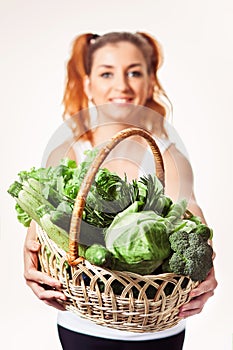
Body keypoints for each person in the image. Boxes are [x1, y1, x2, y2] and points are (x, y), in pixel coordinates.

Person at [24, 31, 217, 350]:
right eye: (106, 73)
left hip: (158, 327)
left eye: (135, 72)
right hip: (82, 324)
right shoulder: (68, 152)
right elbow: (40, 226)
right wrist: (28, 257)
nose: (122, 86)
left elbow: (192, 212)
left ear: (150, 81)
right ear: (88, 83)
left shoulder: (167, 154)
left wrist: (205, 262)